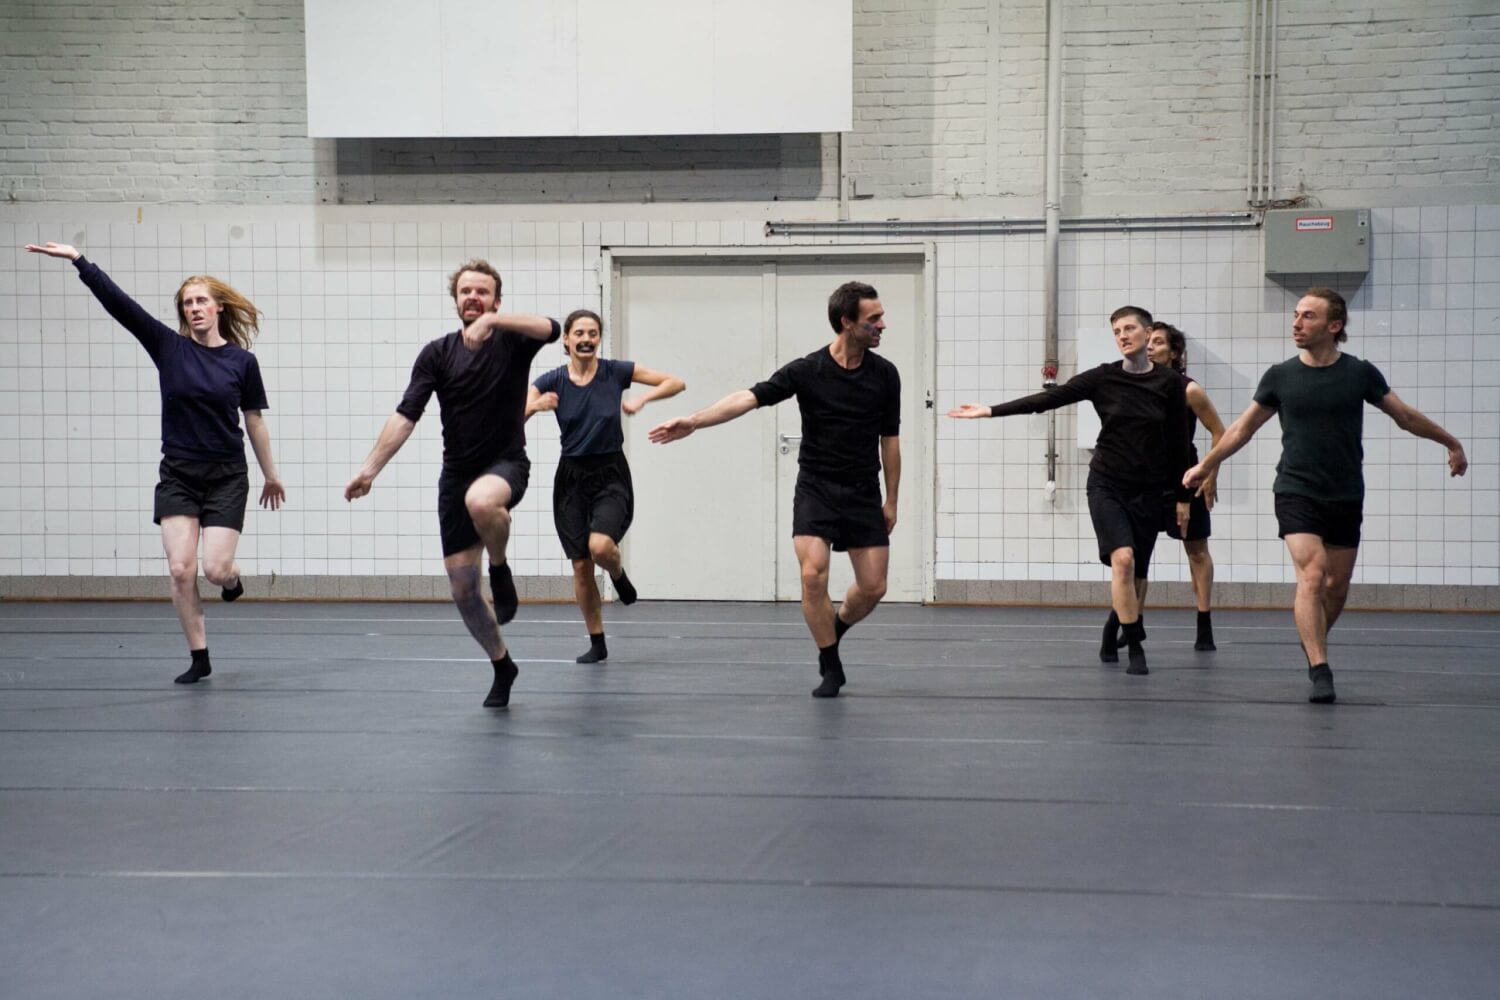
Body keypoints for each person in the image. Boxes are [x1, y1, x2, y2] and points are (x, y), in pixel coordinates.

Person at [1185, 288, 1467, 704]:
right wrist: (1207, 465)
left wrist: (1451, 443)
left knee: (1336, 586)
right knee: (1313, 574)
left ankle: (1312, 636)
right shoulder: (1280, 376)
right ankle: (1320, 667)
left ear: (1334, 326)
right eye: (1296, 315)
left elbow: (1405, 416)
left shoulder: (1360, 374)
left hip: (1345, 494)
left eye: (1308, 316)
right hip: (1296, 490)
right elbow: (1243, 428)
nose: (1297, 323)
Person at [24, 241, 285, 685]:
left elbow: (254, 420)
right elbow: (121, 307)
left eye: (201, 300)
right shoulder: (169, 347)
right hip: (179, 474)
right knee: (181, 570)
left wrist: (271, 474)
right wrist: (80, 262)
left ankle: (232, 580)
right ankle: (199, 656)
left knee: (214, 569)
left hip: (226, 476)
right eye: (187, 303)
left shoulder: (242, 362)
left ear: (219, 307)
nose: (194, 308)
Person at [649, 281, 900, 698]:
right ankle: (830, 663)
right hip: (817, 488)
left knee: (874, 587)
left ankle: (835, 627)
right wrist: (694, 421)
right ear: (847, 322)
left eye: (881, 317)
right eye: (874, 319)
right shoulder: (808, 370)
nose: (882, 326)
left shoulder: (885, 375)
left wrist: (892, 499)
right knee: (812, 574)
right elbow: (750, 397)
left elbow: (889, 441)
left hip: (862, 490)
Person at [344, 259, 560, 708]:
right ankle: (502, 664)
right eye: (466, 292)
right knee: (463, 591)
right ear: (456, 300)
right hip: (456, 474)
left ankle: (499, 567)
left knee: (482, 502)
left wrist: (495, 322)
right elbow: (406, 415)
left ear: (496, 300)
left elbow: (551, 328)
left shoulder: (513, 341)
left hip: (506, 464)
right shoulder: (437, 354)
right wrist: (370, 470)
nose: (473, 298)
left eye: (482, 292)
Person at [950, 305, 1192, 676]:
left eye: (1129, 329)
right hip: (1107, 483)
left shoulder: (1171, 383)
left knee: (1137, 572)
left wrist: (1182, 497)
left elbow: (1179, 442)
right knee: (1123, 560)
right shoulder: (1103, 378)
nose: (1123, 336)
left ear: (1147, 334)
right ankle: (1135, 647)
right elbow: (1049, 399)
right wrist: (991, 410)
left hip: (1148, 488)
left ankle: (1112, 631)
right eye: (1117, 331)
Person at [526, 309, 685, 663]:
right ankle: (597, 642)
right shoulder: (552, 380)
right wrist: (536, 405)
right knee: (581, 566)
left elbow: (675, 382)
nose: (586, 339)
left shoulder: (615, 372)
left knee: (600, 547)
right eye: (579, 333)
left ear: (599, 339)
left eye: (593, 333)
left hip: (610, 472)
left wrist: (643, 399)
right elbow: (513, 418)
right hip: (571, 478)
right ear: (566, 339)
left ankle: (617, 573)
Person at [1141, 321, 1225, 652]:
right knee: (1136, 556)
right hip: (1146, 481)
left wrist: (1211, 473)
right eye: (1147, 341)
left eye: (1158, 342)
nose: (1150, 347)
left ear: (1174, 352)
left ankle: (1204, 624)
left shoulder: (1189, 390)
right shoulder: (1135, 386)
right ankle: (1132, 625)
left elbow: (1220, 432)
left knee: (1197, 551)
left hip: (1185, 478)